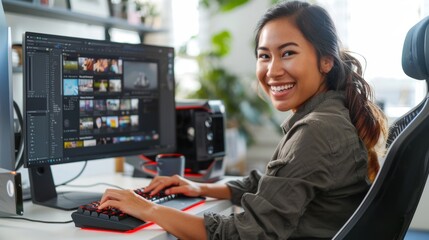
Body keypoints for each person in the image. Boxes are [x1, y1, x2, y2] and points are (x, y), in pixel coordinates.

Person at [98, 1, 388, 239]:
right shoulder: (330, 116)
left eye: (287, 53)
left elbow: (247, 234)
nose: (272, 70)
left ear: (326, 61)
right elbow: (279, 184)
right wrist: (201, 188)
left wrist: (147, 209)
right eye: (264, 56)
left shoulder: (316, 130)